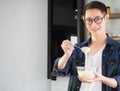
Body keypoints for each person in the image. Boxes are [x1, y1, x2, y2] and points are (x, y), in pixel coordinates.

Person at [53, 1, 120, 91]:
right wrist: (66, 55)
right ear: (84, 20)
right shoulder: (78, 48)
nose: (93, 24)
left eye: (98, 19)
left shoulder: (117, 48)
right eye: (89, 20)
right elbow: (60, 71)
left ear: (106, 18)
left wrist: (102, 79)